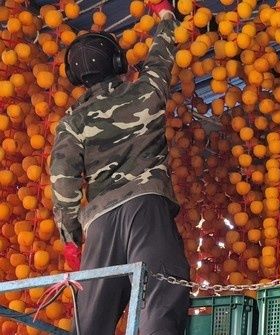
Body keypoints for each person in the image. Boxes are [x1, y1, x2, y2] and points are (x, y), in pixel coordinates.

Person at [50, 1, 190, 334]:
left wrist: (71, 238)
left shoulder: (72, 122)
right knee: (161, 295)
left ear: (75, 77)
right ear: (118, 62)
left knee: (91, 320)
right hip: (145, 208)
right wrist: (166, 16)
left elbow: (63, 182)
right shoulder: (145, 92)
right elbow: (161, 57)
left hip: (99, 224)